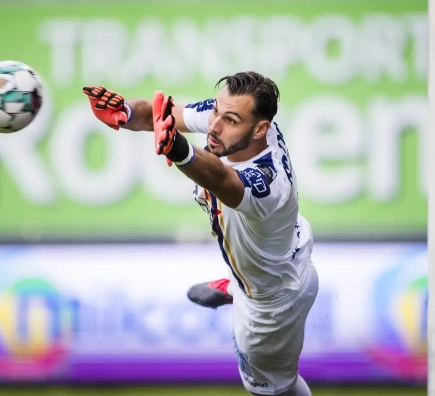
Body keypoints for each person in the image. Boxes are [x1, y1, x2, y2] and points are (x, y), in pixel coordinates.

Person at [83, 71, 319, 396]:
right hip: (286, 255)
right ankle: (237, 283)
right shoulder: (232, 120)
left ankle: (241, 286)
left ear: (260, 128)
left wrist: (179, 149)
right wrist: (124, 112)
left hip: (270, 305)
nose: (214, 126)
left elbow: (221, 179)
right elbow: (158, 116)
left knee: (274, 390)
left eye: (230, 120)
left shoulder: (269, 184)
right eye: (216, 111)